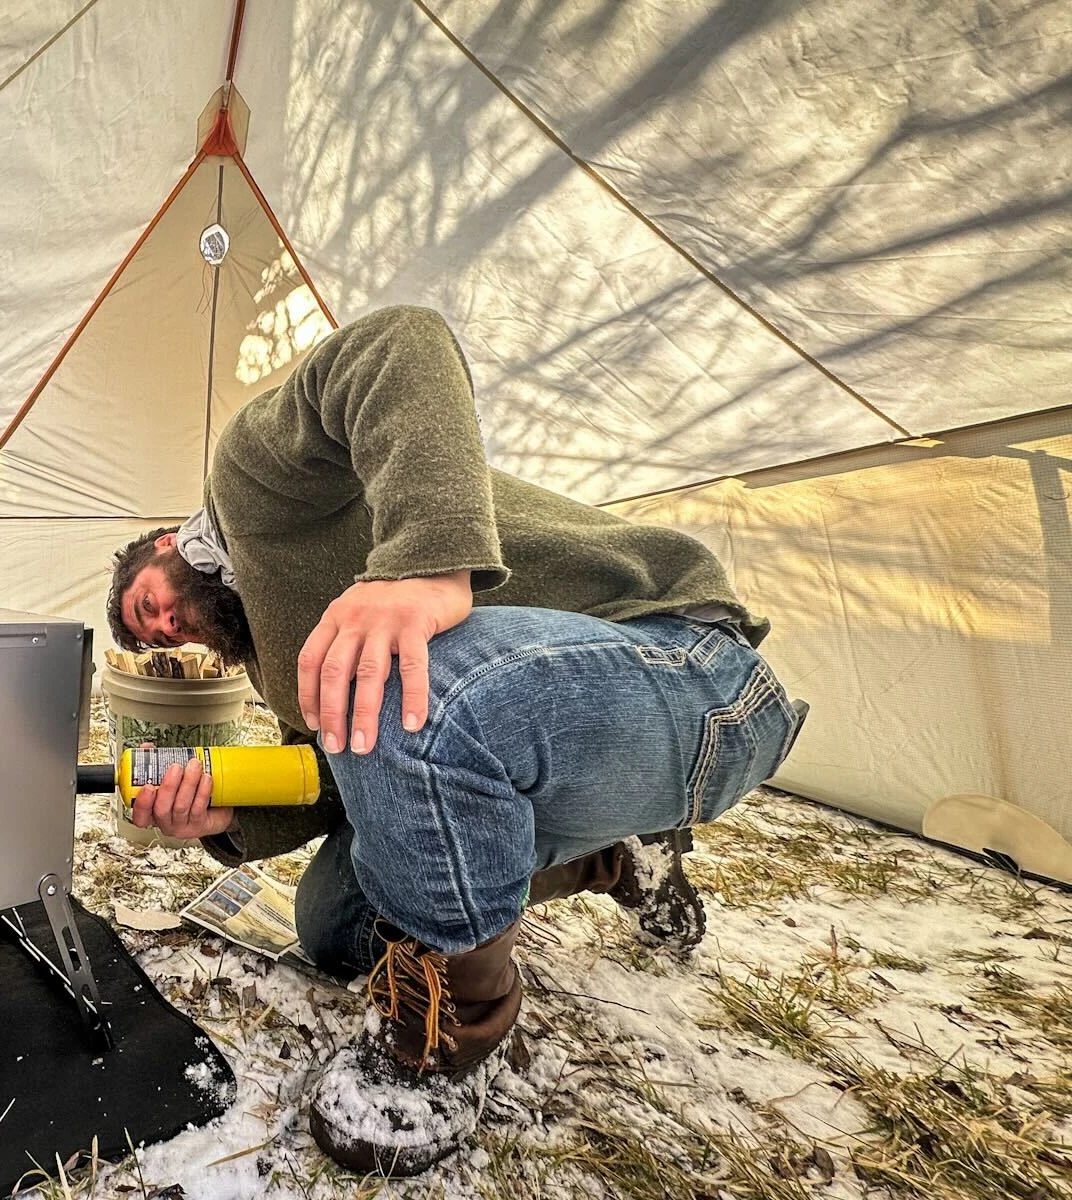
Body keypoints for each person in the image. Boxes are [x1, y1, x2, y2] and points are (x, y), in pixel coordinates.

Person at [106, 306, 805, 1177]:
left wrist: (422, 567)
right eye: (162, 639)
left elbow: (399, 340)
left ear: (171, 546)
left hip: (684, 671)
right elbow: (337, 782)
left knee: (394, 673)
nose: (170, 626)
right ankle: (617, 859)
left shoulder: (252, 484)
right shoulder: (279, 666)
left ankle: (456, 1032)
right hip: (536, 756)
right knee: (335, 922)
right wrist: (220, 818)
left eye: (151, 605)